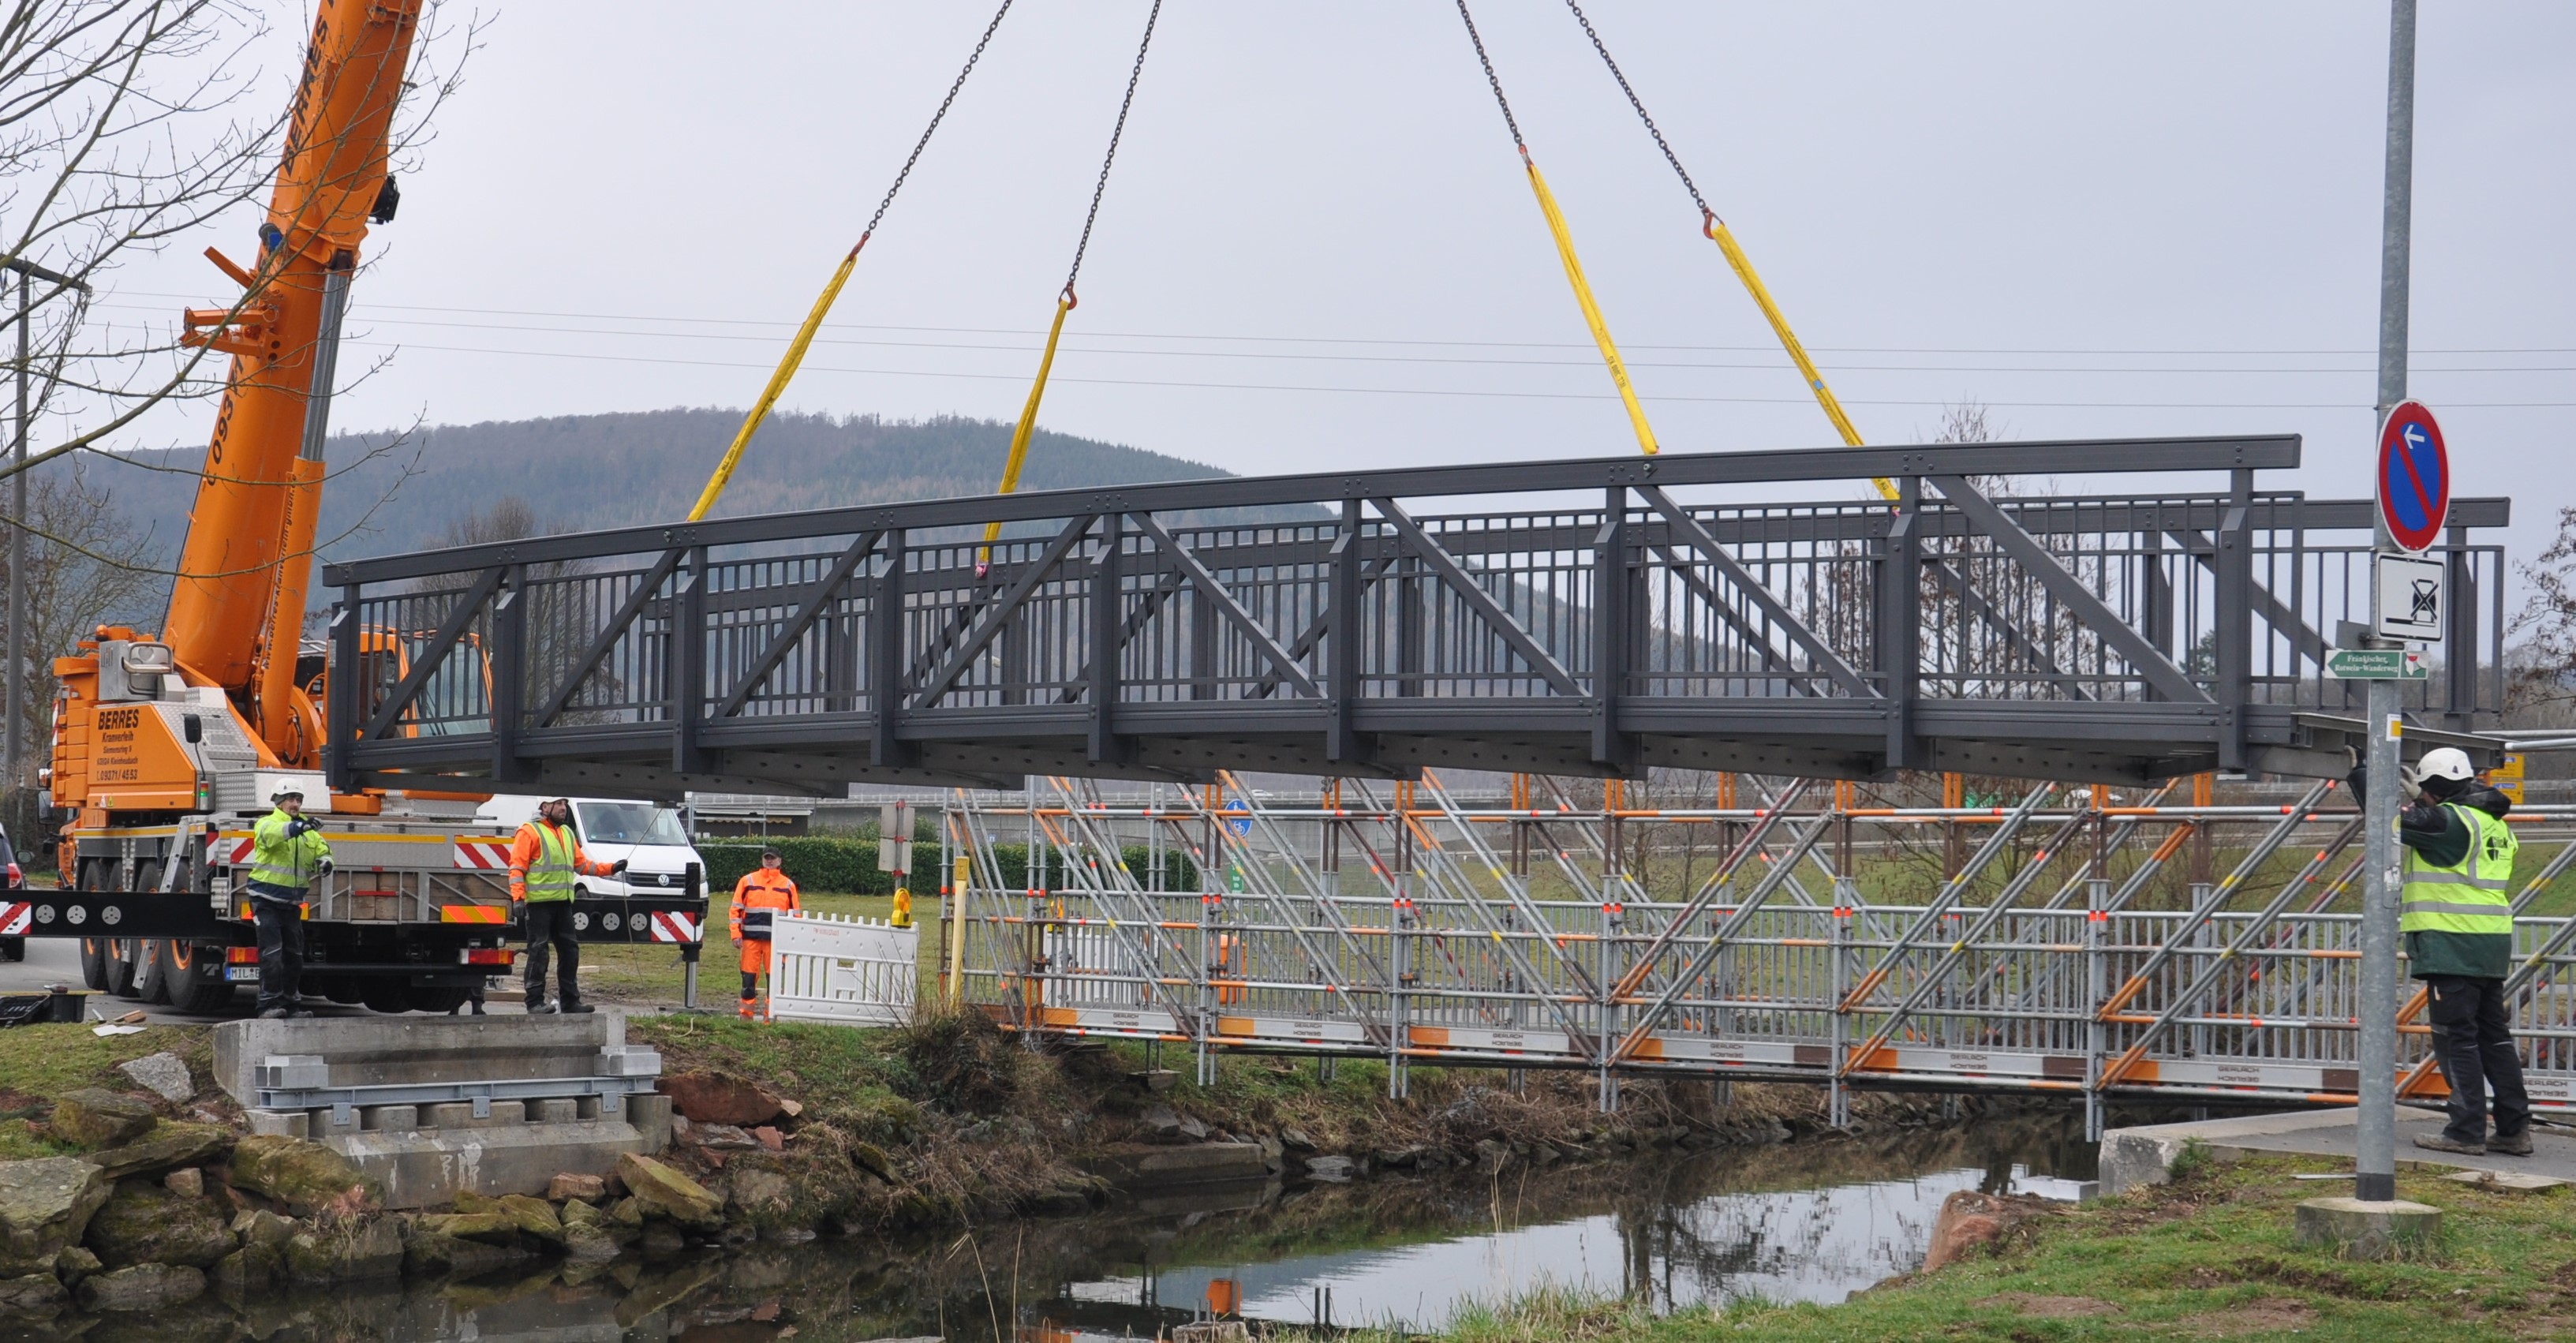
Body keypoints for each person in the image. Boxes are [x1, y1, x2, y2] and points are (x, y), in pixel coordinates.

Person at [2352, 745, 2528, 1156]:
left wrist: (2362, 775)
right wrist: (2421, 804)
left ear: (2432, 788)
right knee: (2494, 1038)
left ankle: (2465, 1131)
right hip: (2489, 944)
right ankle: (2514, 1130)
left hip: (2452, 943)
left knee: (2457, 1039)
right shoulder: (2493, 824)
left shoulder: (2452, 824)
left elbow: (2386, 820)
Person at [507, 798, 624, 1015]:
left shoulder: (568, 833)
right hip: (539, 905)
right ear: (544, 807)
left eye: (564, 804)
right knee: (539, 952)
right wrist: (518, 899)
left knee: (570, 952)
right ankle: (534, 1002)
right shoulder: (529, 832)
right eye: (558, 804)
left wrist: (611, 868)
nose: (563, 808)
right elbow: (517, 868)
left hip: (562, 904)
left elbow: (582, 865)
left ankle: (570, 1002)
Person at [247, 787, 331, 1020]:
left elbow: (321, 850)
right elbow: (274, 835)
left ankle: (291, 1006)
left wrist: (325, 862)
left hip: (292, 902)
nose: (295, 804)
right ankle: (267, 1006)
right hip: (265, 899)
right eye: (291, 799)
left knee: (294, 957)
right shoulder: (266, 823)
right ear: (279, 802)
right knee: (271, 955)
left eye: (298, 800)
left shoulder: (308, 831)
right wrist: (300, 827)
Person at [729, 848, 801, 1019]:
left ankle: (770, 1018)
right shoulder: (747, 881)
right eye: (766, 858)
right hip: (750, 940)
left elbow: (795, 915)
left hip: (776, 942)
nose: (769, 861)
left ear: (779, 861)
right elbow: (735, 910)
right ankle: (745, 1017)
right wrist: (735, 934)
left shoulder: (788, 885)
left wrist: (791, 941)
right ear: (762, 860)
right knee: (748, 980)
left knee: (773, 981)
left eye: (773, 858)